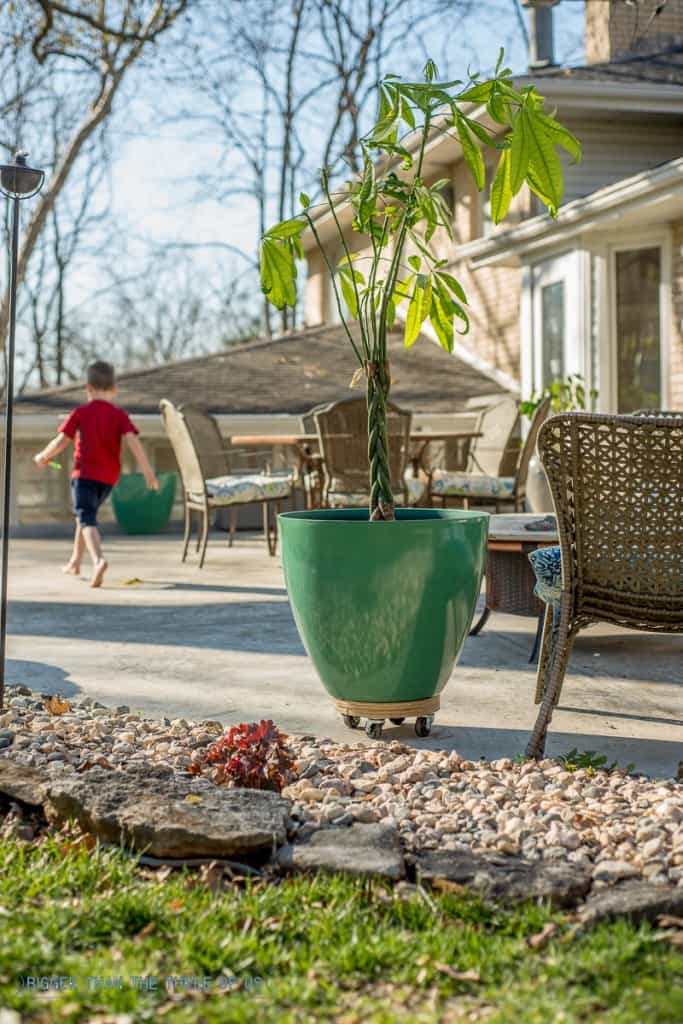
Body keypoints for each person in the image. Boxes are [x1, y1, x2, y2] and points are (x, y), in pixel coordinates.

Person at [33, 360, 158, 587]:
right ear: (114, 390)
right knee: (84, 517)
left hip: (85, 475)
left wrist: (44, 456)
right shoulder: (120, 415)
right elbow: (134, 442)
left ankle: (98, 560)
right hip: (109, 478)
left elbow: (62, 440)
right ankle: (75, 562)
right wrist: (148, 471)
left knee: (86, 518)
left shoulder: (81, 412)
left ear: (88, 388)